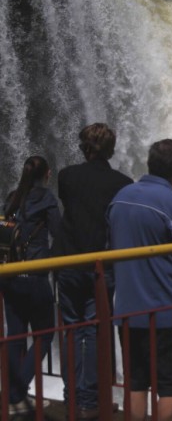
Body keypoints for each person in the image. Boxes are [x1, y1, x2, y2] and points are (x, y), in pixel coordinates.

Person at [107, 139, 172, 421]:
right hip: (165, 313)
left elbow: (109, 245)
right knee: (170, 387)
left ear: (149, 163)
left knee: (136, 384)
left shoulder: (120, 197)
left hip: (126, 311)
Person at [53, 122, 133, 420]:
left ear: (85, 147)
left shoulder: (66, 177)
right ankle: (90, 399)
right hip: (100, 264)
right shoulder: (123, 183)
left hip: (66, 262)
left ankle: (70, 396)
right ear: (110, 149)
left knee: (71, 329)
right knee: (94, 329)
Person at [2, 156, 61, 415]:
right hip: (36, 277)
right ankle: (16, 393)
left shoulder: (13, 198)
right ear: (46, 174)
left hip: (11, 276)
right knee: (44, 335)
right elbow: (59, 232)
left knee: (16, 336)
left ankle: (15, 395)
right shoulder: (47, 199)